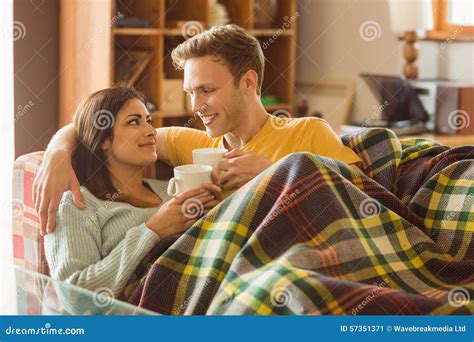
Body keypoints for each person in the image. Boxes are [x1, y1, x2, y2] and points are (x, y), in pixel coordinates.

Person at [34, 24, 362, 235]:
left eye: (206, 90)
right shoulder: (194, 144)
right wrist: (58, 153)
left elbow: (363, 201)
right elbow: (103, 126)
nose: (195, 107)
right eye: (191, 93)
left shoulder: (308, 132)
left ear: (248, 82)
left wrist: (273, 173)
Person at [44, 86, 221, 296]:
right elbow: (75, 297)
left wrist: (217, 211)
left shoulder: (173, 189)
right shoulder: (78, 204)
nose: (151, 131)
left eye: (148, 121)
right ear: (103, 139)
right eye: (133, 122)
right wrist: (152, 230)